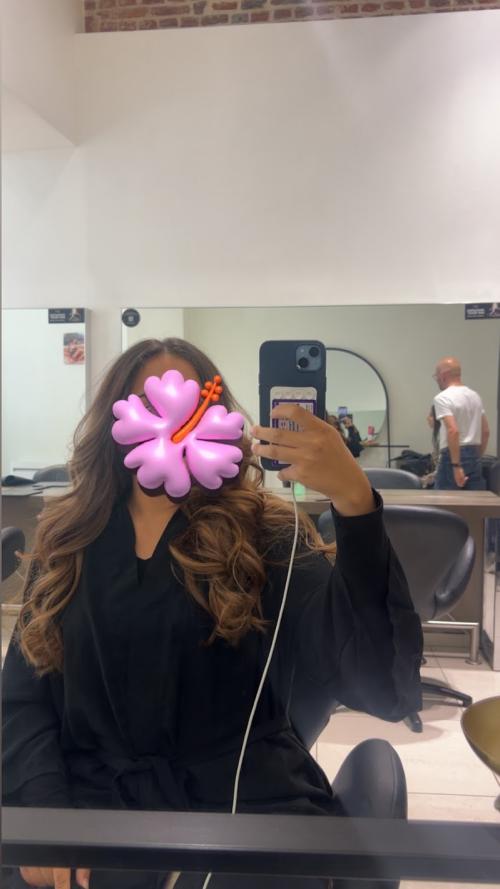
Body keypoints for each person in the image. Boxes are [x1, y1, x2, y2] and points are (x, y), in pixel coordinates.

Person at [3, 338, 423, 889]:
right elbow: (23, 695)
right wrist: (43, 809)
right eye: (152, 403)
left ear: (217, 417)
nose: (173, 423)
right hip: (87, 802)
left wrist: (355, 503)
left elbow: (379, 679)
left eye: (192, 403)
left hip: (243, 804)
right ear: (114, 422)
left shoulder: (266, 535)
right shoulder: (69, 542)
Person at [432, 357, 490, 490]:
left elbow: (453, 430)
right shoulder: (475, 396)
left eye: (436, 375)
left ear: (443, 375)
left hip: (452, 456)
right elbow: (486, 432)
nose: (436, 379)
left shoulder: (442, 398)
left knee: (444, 501)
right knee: (474, 501)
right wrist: (477, 457)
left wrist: (456, 465)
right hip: (474, 453)